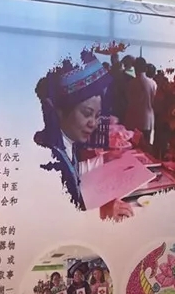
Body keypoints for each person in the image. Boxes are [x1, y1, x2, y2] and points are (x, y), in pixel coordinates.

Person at [35, 50, 134, 220]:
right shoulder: (48, 157)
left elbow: (73, 173)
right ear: (60, 111)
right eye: (87, 113)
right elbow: (57, 214)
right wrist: (102, 212)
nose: (93, 123)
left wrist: (104, 159)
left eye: (97, 116)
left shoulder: (66, 143)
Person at [124, 57, 157, 146]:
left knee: (132, 146)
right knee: (145, 146)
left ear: (135, 68)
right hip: (147, 120)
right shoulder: (153, 84)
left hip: (132, 119)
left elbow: (128, 100)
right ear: (145, 69)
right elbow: (154, 102)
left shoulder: (130, 84)